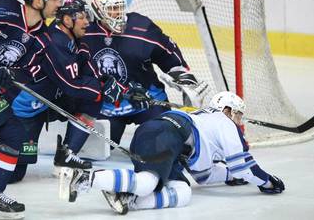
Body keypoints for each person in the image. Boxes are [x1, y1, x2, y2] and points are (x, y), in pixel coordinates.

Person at [0, 0, 127, 190]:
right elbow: (71, 85)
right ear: (67, 20)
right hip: (22, 107)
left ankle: (67, 153)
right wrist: (101, 88)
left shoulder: (74, 41)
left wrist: (109, 83)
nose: (87, 22)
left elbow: (86, 69)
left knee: (90, 99)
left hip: (41, 105)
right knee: (14, 171)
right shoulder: (54, 43)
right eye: (82, 17)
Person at [66, 91, 285, 214]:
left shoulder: (206, 124)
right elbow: (243, 166)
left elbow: (203, 175)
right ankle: (84, 178)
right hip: (165, 134)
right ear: (227, 110)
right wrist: (268, 181)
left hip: (164, 138)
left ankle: (127, 198)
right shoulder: (224, 122)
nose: (239, 121)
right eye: (238, 115)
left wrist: (230, 176)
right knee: (147, 183)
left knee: (182, 192)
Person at [77, 0, 209, 148]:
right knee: (98, 149)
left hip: (147, 100)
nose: (118, 13)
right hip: (108, 106)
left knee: (163, 141)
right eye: (111, 9)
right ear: (98, 12)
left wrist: (180, 75)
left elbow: (167, 52)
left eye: (119, 8)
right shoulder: (84, 30)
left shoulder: (141, 27)